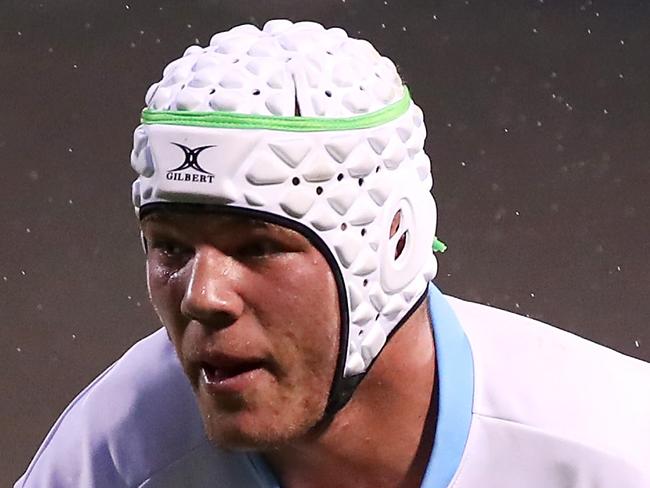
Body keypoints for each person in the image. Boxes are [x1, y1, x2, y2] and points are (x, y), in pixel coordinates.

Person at [16, 19, 650, 488]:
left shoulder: (615, 446)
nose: (201, 295)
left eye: (260, 247)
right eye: (170, 248)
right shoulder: (115, 451)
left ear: (393, 246)